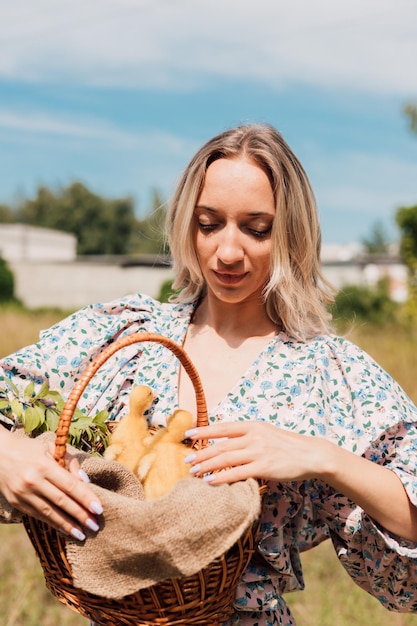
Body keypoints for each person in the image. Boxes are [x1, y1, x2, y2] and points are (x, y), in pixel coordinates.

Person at [1, 123, 417, 625]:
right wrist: (8, 452)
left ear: (291, 233)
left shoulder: (328, 372)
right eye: (208, 223)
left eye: (256, 228)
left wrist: (321, 457)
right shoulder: (124, 336)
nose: (227, 252)